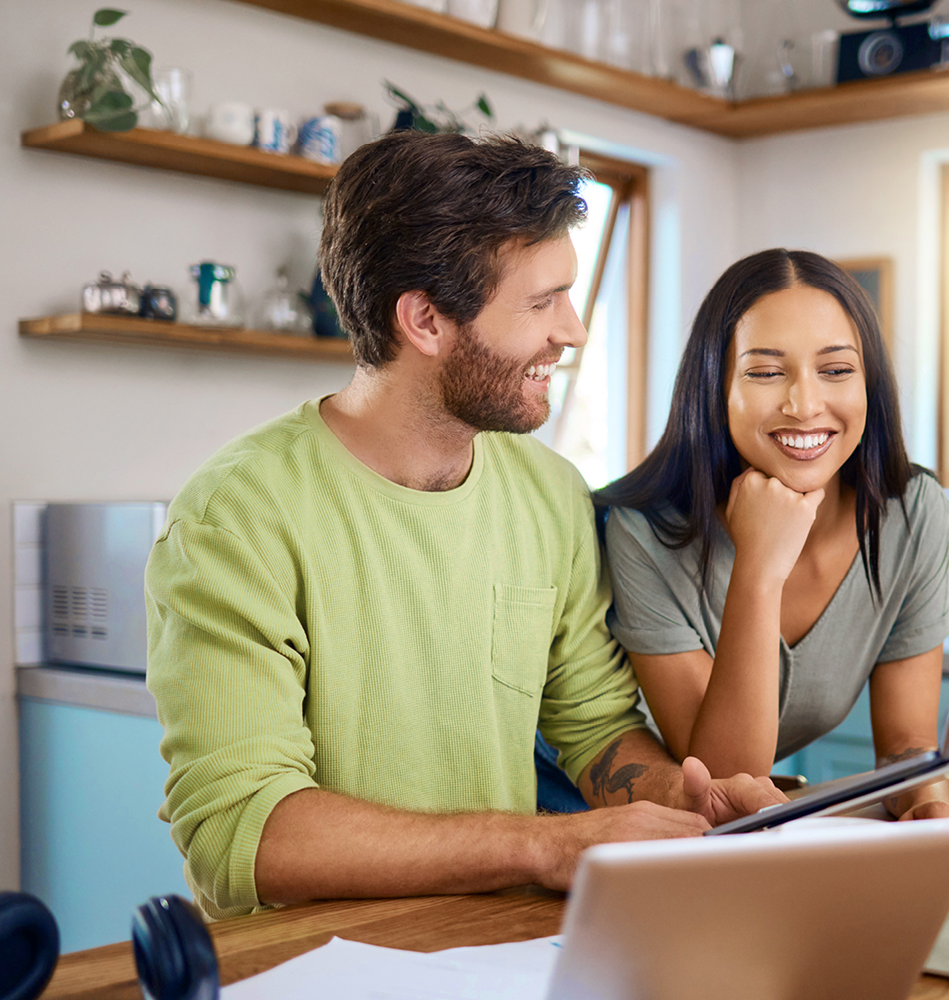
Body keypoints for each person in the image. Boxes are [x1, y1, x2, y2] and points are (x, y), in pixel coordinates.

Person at [144, 132, 784, 921]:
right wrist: (542, 844)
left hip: (500, 949)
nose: (573, 329)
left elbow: (593, 730)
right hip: (312, 969)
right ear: (425, 320)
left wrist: (688, 805)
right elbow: (243, 836)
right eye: (542, 301)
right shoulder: (237, 517)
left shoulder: (549, 493)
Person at [595, 249, 949, 853]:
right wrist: (757, 571)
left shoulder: (911, 511)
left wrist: (928, 804)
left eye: (835, 370)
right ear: (715, 386)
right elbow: (724, 784)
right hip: (616, 832)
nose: (805, 404)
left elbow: (908, 741)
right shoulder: (640, 531)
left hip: (741, 844)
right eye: (765, 371)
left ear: (869, 384)